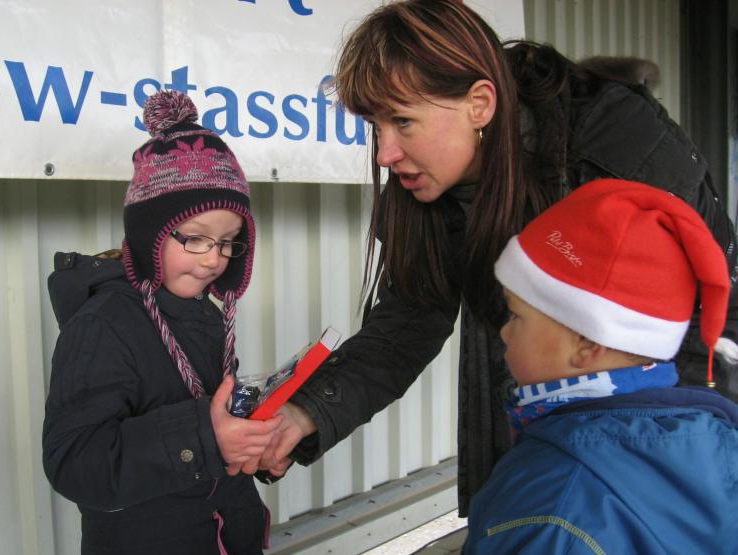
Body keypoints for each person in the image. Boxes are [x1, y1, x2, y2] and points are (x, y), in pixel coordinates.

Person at [257, 0, 738, 519]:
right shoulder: (428, 183)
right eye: (376, 125)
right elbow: (407, 323)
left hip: (656, 438)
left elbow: (708, 322)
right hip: (532, 437)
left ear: (480, 104)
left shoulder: (616, 147)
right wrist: (305, 413)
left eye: (403, 121)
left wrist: (680, 477)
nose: (384, 153)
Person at [42, 90, 281, 555]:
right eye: (195, 238)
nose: (214, 258)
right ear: (151, 234)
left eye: (228, 241)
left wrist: (249, 438)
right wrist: (206, 437)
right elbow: (74, 461)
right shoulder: (103, 326)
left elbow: (214, 425)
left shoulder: (205, 315)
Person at [457, 178, 738, 555]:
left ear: (588, 343)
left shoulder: (555, 513)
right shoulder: (687, 444)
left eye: (516, 316)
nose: (503, 332)